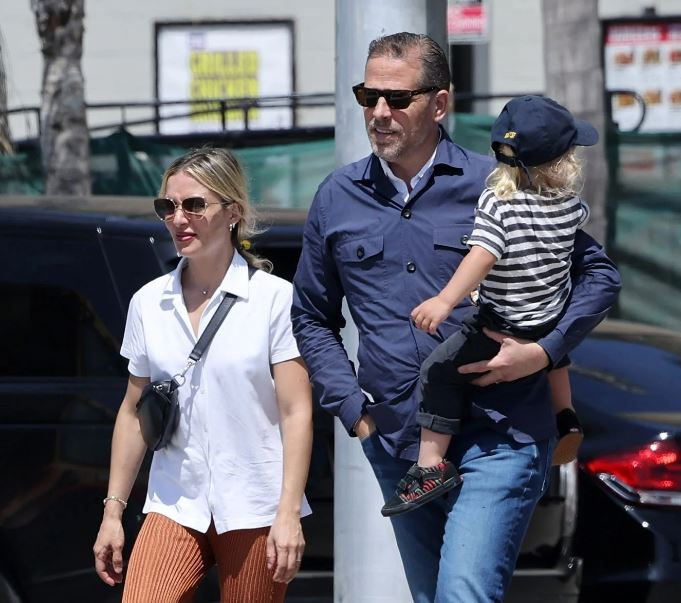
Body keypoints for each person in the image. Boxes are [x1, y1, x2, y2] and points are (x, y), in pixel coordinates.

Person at [291, 32, 620, 603]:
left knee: (463, 595)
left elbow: (599, 277)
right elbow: (312, 319)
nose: (379, 112)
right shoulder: (336, 197)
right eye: (368, 96)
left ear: (439, 104)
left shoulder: (502, 185)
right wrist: (355, 413)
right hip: (397, 442)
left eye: (397, 98)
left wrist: (543, 352)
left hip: (502, 432)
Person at [93, 148, 313, 603]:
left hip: (255, 505)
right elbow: (134, 412)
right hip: (174, 500)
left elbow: (296, 412)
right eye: (168, 207)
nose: (179, 218)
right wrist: (113, 511)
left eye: (194, 205)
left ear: (232, 212)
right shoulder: (149, 303)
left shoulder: (273, 300)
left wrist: (288, 512)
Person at [382, 95, 595, 517]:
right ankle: (565, 416)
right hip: (547, 318)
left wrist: (445, 300)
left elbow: (482, 254)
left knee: (440, 372)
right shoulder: (571, 208)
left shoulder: (499, 203)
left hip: (502, 320)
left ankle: (429, 466)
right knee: (555, 353)